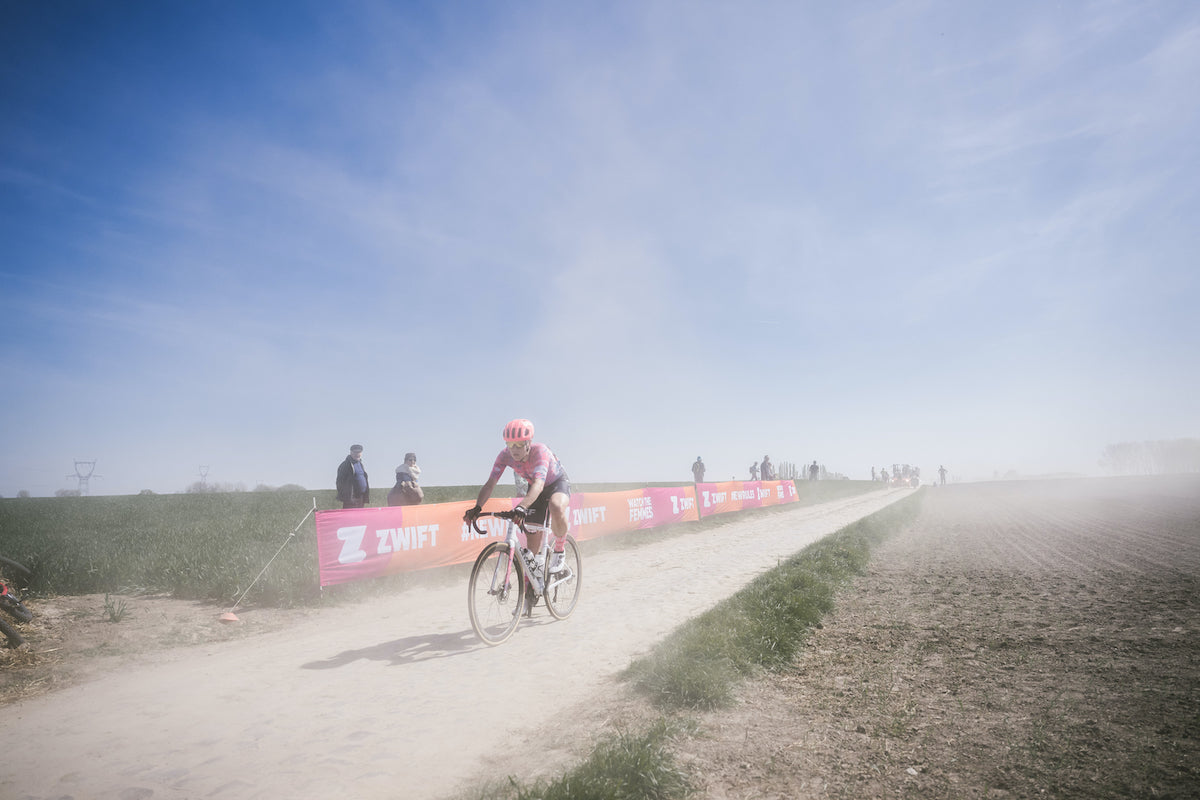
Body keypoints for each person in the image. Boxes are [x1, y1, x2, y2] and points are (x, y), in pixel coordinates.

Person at [463, 419, 571, 582]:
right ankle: (529, 591)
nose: (514, 449)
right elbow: (490, 484)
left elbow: (539, 484)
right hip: (534, 488)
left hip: (555, 483)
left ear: (529, 442)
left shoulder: (539, 451)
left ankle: (559, 549)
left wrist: (522, 506)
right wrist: (477, 507)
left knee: (556, 506)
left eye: (519, 444)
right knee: (532, 545)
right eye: (510, 443)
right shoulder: (505, 455)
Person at [336, 444, 369, 509]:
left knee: (360, 518)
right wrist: (347, 497)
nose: (357, 454)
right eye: (355, 452)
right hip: (351, 500)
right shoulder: (345, 465)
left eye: (359, 452)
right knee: (350, 519)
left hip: (361, 498)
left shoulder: (360, 464)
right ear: (351, 452)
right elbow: (339, 482)